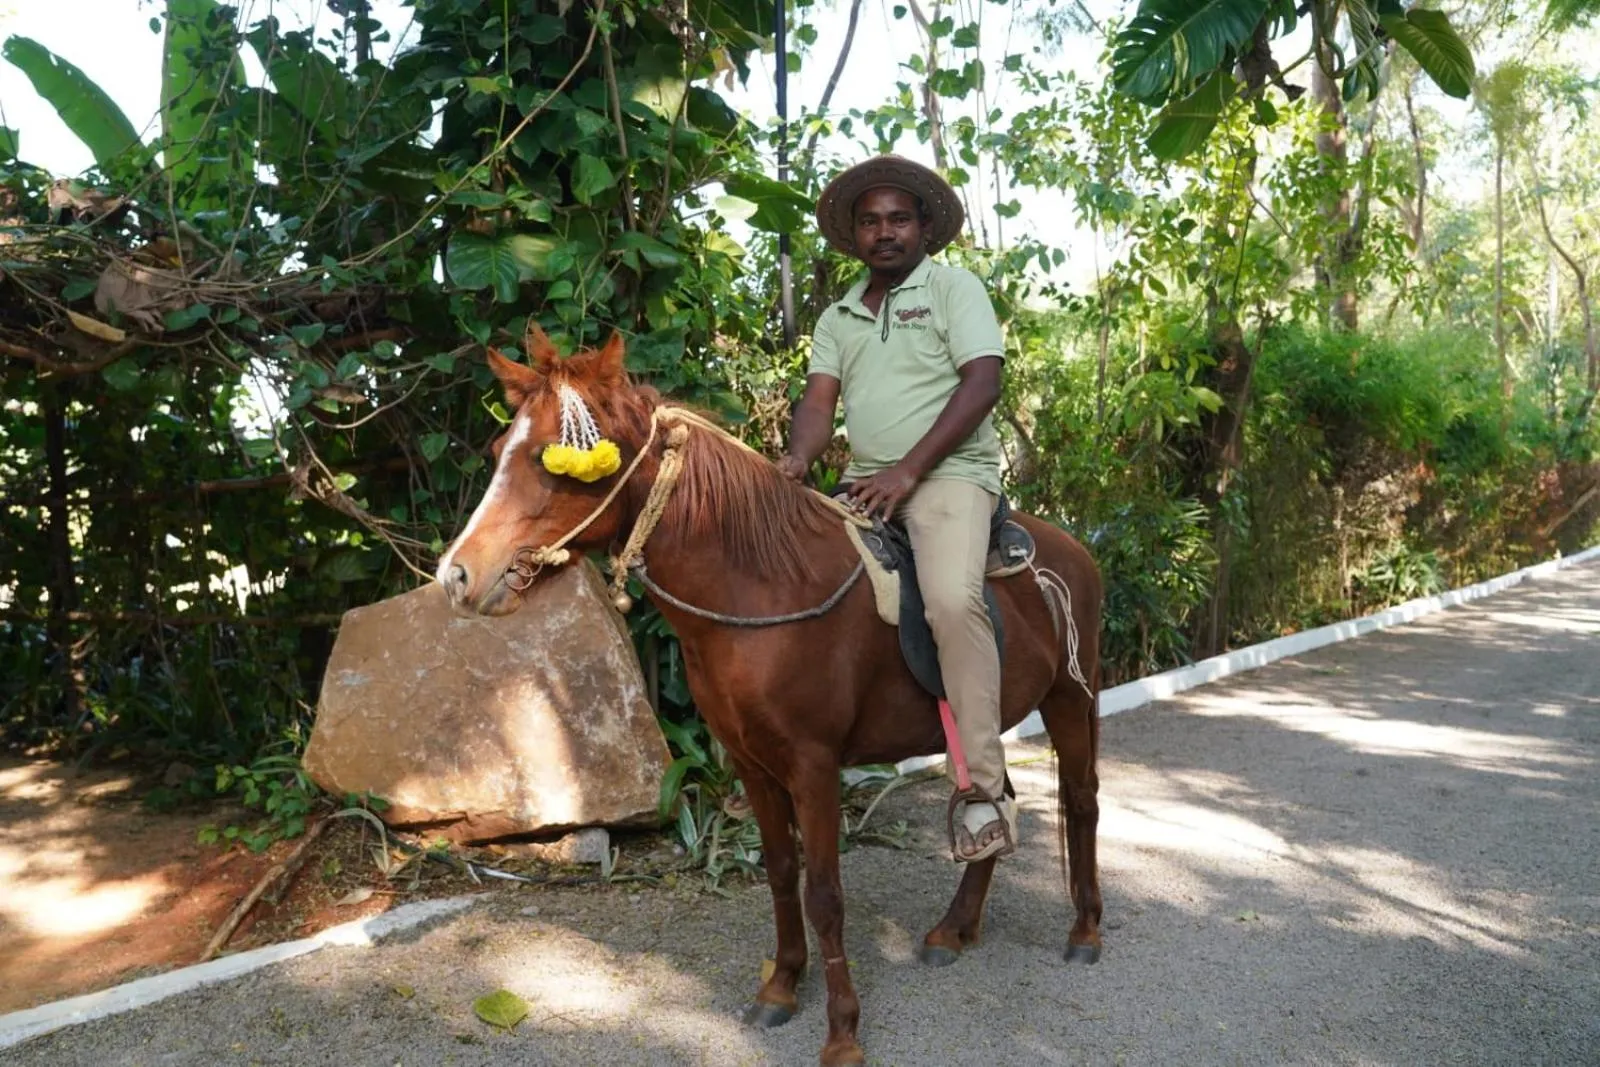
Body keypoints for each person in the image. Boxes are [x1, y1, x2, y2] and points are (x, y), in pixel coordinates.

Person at [776, 155, 1016, 863]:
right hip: (864, 486)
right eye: (870, 221)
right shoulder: (839, 316)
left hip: (949, 477)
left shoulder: (953, 288)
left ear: (924, 228)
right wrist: (797, 461)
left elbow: (983, 382)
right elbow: (818, 404)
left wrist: (910, 471)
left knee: (950, 602)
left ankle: (985, 791)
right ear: (853, 235)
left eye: (899, 219)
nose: (884, 232)